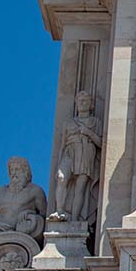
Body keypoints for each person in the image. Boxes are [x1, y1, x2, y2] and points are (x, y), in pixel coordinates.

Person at [49, 90, 102, 222]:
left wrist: (88, 132)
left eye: (85, 101)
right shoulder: (68, 123)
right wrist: (59, 163)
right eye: (79, 101)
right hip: (69, 152)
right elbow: (62, 145)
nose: (82, 103)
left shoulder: (95, 122)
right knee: (62, 178)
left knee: (80, 187)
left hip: (86, 152)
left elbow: (101, 143)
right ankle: (59, 211)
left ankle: (74, 219)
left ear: (91, 105)